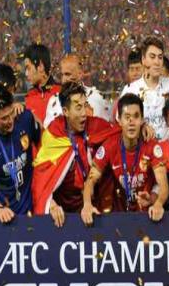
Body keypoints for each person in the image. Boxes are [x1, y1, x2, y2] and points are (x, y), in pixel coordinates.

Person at [32, 82, 120, 227]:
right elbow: (41, 178)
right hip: (64, 217)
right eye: (78, 108)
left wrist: (142, 128)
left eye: (85, 106)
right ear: (65, 111)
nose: (84, 113)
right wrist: (51, 204)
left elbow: (119, 133)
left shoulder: (96, 126)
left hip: (95, 209)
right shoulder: (54, 134)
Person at [81, 93, 168, 225]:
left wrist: (158, 203)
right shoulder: (110, 146)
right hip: (118, 219)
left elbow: (163, 185)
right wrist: (87, 204)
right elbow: (90, 180)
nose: (131, 122)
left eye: (136, 116)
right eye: (127, 117)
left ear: (142, 120)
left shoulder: (152, 146)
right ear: (119, 121)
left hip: (147, 217)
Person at [0, 84, 40, 222]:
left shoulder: (25, 119)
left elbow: (44, 145)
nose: (10, 121)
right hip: (3, 214)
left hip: (32, 210)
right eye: (4, 118)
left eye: (11, 113)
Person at [120, 36, 169, 140]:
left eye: (160, 57)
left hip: (168, 148)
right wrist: (141, 125)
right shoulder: (130, 90)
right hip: (142, 148)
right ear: (143, 60)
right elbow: (120, 121)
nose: (157, 62)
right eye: (152, 57)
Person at [45, 53, 113, 127]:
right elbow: (48, 130)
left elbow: (106, 128)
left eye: (68, 74)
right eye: (62, 75)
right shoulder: (54, 101)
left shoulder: (95, 98)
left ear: (80, 74)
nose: (64, 79)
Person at [23, 43, 60, 125]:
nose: (26, 73)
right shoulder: (29, 97)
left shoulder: (61, 93)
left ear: (40, 66)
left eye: (28, 68)